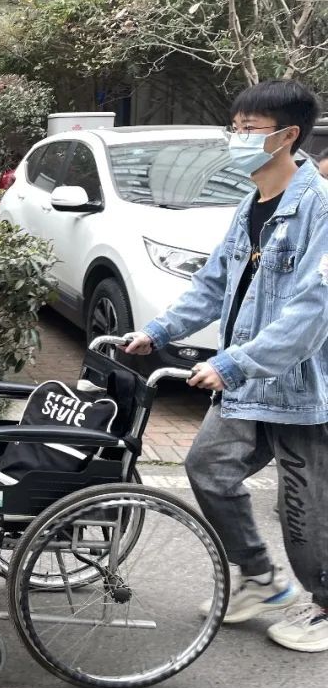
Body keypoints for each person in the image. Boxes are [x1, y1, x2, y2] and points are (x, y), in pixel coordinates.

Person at [124, 78, 328, 653]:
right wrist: (158, 332)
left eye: (249, 130)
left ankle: (324, 606)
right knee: (208, 469)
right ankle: (261, 579)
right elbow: (214, 284)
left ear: (287, 136)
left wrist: (235, 364)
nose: (236, 139)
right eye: (233, 128)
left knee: (304, 510)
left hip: (299, 388)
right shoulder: (249, 205)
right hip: (249, 383)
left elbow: (313, 310)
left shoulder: (319, 208)